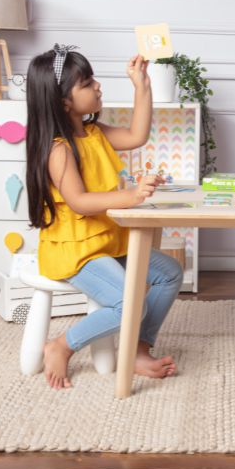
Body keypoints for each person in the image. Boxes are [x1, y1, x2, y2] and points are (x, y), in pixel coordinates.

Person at [25, 44, 183, 389]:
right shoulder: (58, 149)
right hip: (78, 250)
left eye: (93, 80)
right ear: (63, 100)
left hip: (106, 240)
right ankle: (62, 345)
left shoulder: (94, 134)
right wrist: (131, 196)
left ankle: (139, 348)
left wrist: (142, 85)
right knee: (130, 301)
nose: (97, 86)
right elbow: (79, 201)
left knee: (169, 273)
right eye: (87, 83)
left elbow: (136, 135)